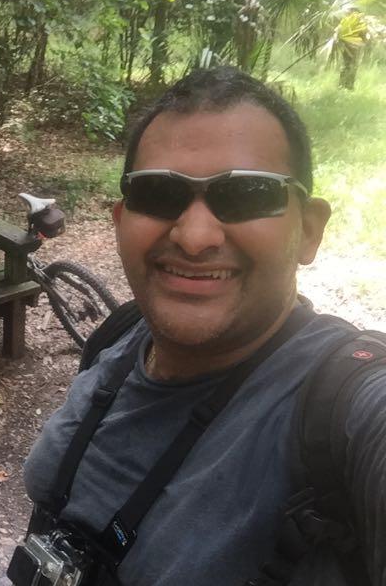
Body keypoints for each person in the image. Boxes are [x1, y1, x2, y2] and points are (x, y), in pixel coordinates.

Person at [21, 67, 386, 585]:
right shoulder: (120, 335)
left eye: (247, 194)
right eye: (158, 194)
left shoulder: (348, 407)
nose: (194, 237)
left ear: (308, 230)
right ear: (121, 221)